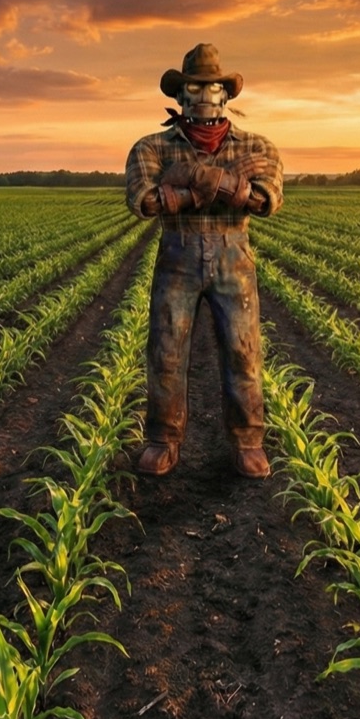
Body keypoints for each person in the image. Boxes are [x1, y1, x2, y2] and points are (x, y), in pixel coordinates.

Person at [123, 44, 284, 478]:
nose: (203, 94)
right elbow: (145, 201)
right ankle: (163, 440)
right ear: (180, 95)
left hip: (234, 254)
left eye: (212, 86)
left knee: (243, 350)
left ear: (227, 94)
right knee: (166, 351)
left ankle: (249, 442)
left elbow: (268, 200)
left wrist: (188, 180)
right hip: (177, 252)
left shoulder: (257, 145)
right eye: (194, 86)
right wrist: (230, 184)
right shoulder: (151, 146)